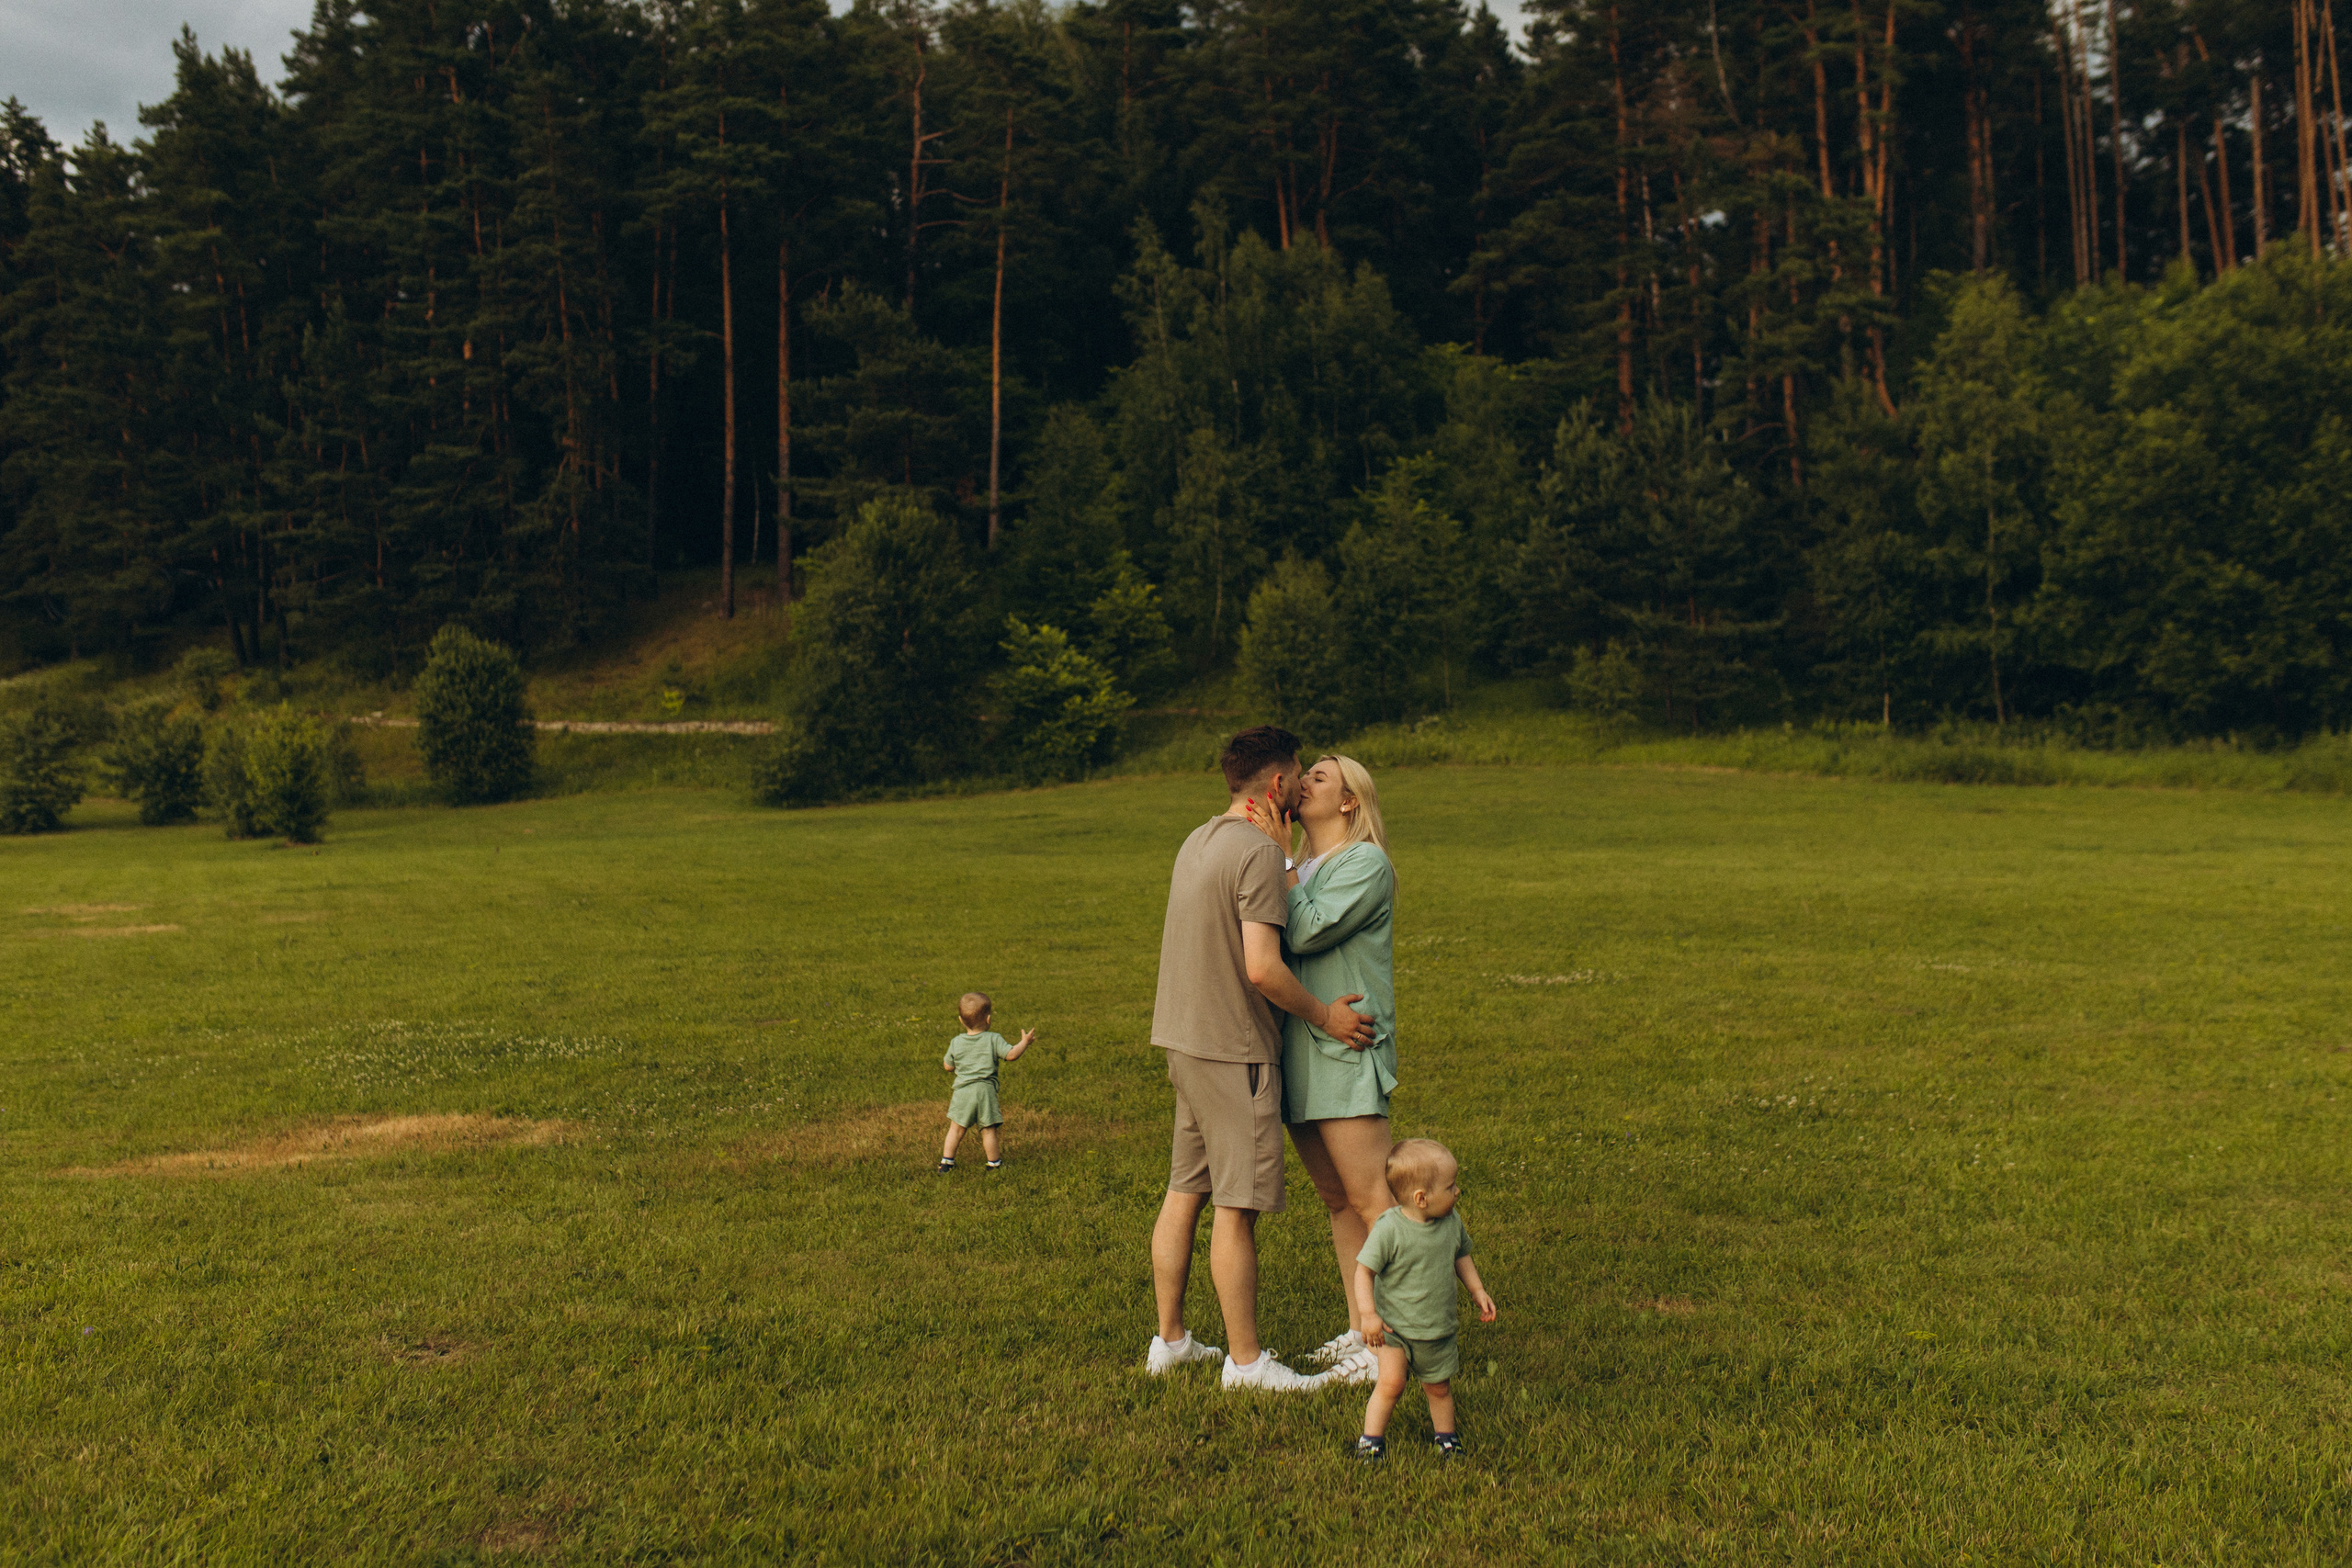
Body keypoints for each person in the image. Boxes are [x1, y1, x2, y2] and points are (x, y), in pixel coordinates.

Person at [1145, 725, 1379, 1393]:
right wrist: (1326, 1016)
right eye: (1299, 775)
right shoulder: (1256, 852)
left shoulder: (1198, 839)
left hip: (1182, 1038)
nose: (1302, 786)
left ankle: (1171, 1341)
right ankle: (1247, 1364)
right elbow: (1263, 968)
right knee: (1236, 1207)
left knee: (1185, 1190)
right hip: (1233, 1049)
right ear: (1277, 784)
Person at [1242, 754, 1397, 1386]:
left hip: (1347, 1048)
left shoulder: (1365, 863)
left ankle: (1399, 1341)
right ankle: (1364, 1329)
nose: (1302, 782)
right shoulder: (1304, 866)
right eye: (1304, 774)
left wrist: (1278, 858)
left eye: (1320, 777)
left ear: (1349, 801)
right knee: (1338, 1200)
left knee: (1373, 1201)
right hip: (1302, 1049)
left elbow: (1303, 932)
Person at [1351, 1138, 1496, 1462]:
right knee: (1391, 1384)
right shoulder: (1390, 1229)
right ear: (1421, 1198)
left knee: (1439, 1388)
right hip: (1395, 1329)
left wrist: (1477, 1290)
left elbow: (1461, 1256)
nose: (1457, 1191)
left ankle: (1446, 1438)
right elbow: (1364, 1271)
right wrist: (1368, 1314)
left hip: (1435, 1328)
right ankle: (1371, 1440)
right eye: (1450, 1186)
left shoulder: (1451, 1222)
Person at [937, 992, 1035, 1172]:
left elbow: (947, 1066)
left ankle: (946, 1163)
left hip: (962, 1093)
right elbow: (1011, 1055)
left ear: (961, 1020)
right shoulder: (993, 1039)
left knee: (956, 1129)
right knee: (988, 1130)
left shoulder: (956, 1042)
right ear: (988, 1019)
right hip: (985, 1092)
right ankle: (993, 1164)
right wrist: (1025, 1042)